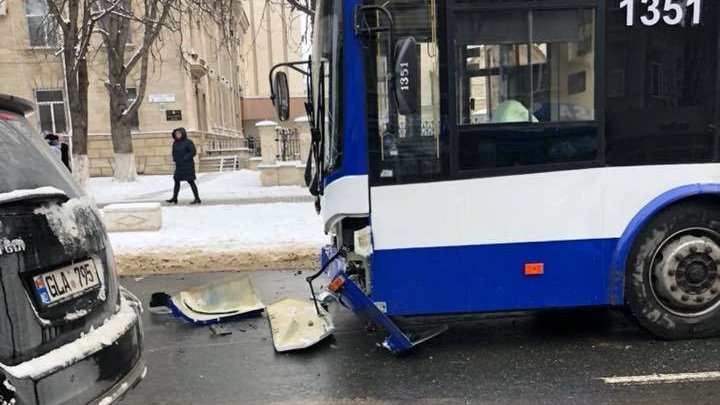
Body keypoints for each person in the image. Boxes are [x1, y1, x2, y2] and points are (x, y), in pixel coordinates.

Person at [166, 127, 201, 204]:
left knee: (191, 181)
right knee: (176, 180)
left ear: (183, 134)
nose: (177, 135)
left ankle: (197, 198)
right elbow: (174, 152)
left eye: (179, 134)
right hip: (179, 165)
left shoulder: (188, 142)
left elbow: (193, 151)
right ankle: (174, 198)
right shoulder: (175, 143)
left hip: (187, 165)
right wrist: (175, 159)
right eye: (176, 134)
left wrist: (185, 158)